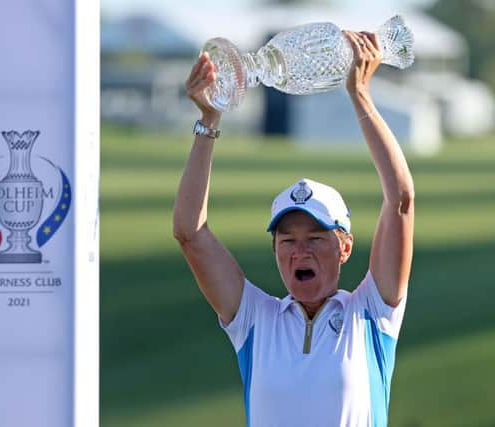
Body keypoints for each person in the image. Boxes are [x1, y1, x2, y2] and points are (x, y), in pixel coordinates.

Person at [173, 30, 414, 427]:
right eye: (288, 240)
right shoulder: (254, 319)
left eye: (316, 238)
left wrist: (360, 95)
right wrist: (208, 120)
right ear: (275, 250)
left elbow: (401, 201)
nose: (300, 251)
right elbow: (190, 233)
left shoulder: (371, 314)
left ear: (345, 247)